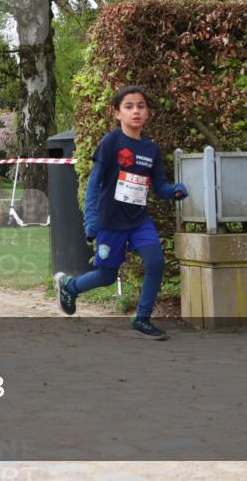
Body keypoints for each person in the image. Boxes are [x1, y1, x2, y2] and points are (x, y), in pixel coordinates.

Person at [53, 85, 188, 340]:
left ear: (147, 113)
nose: (135, 111)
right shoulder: (112, 141)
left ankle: (142, 319)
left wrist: (174, 191)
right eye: (129, 107)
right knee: (106, 275)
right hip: (110, 221)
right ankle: (69, 287)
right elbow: (94, 182)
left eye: (140, 106)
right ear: (117, 113)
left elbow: (159, 186)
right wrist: (92, 220)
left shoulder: (151, 150)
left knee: (155, 262)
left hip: (139, 220)